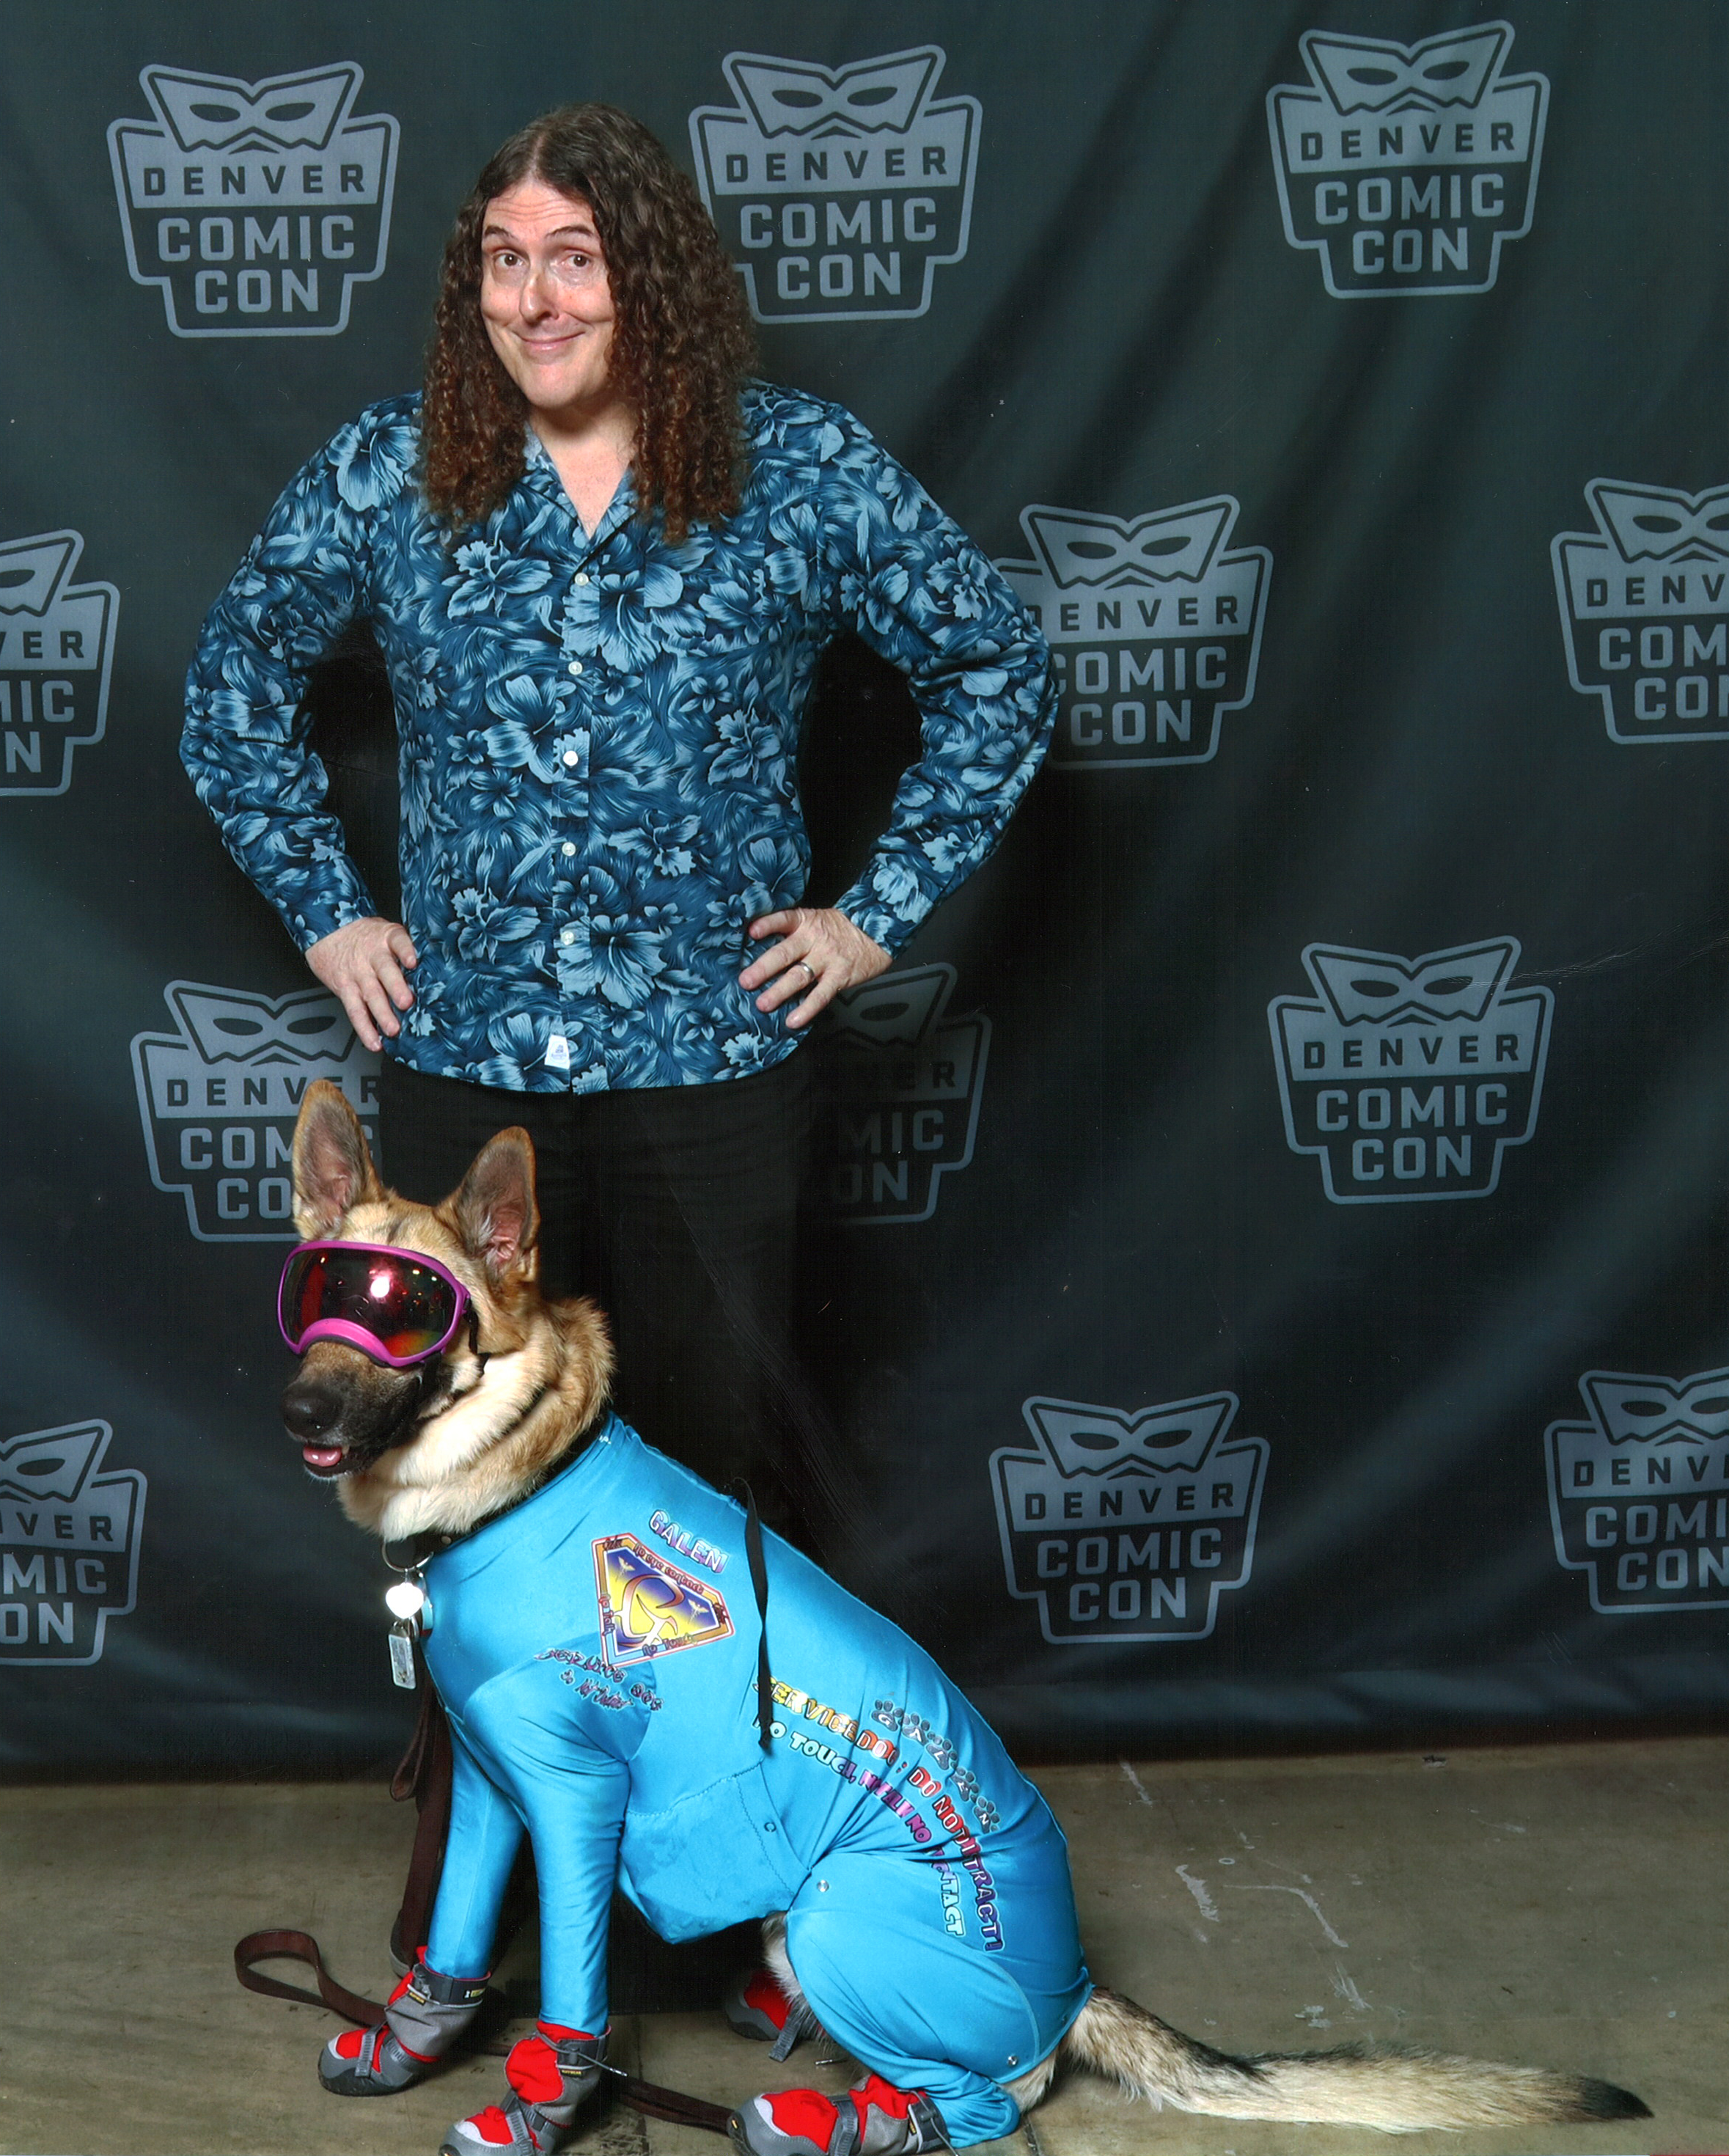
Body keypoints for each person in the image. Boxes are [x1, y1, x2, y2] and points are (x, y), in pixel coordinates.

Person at [182, 103, 1056, 1534]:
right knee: (457, 1472)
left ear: (650, 278)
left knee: (710, 1471)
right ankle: (489, 1765)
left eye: (576, 258)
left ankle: (709, 1763)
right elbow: (230, 689)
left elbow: (994, 669)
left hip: (710, 1062)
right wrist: (329, 913)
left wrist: (873, 917)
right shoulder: (388, 472)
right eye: (505, 260)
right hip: (466, 1058)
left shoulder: (798, 471)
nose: (538, 298)